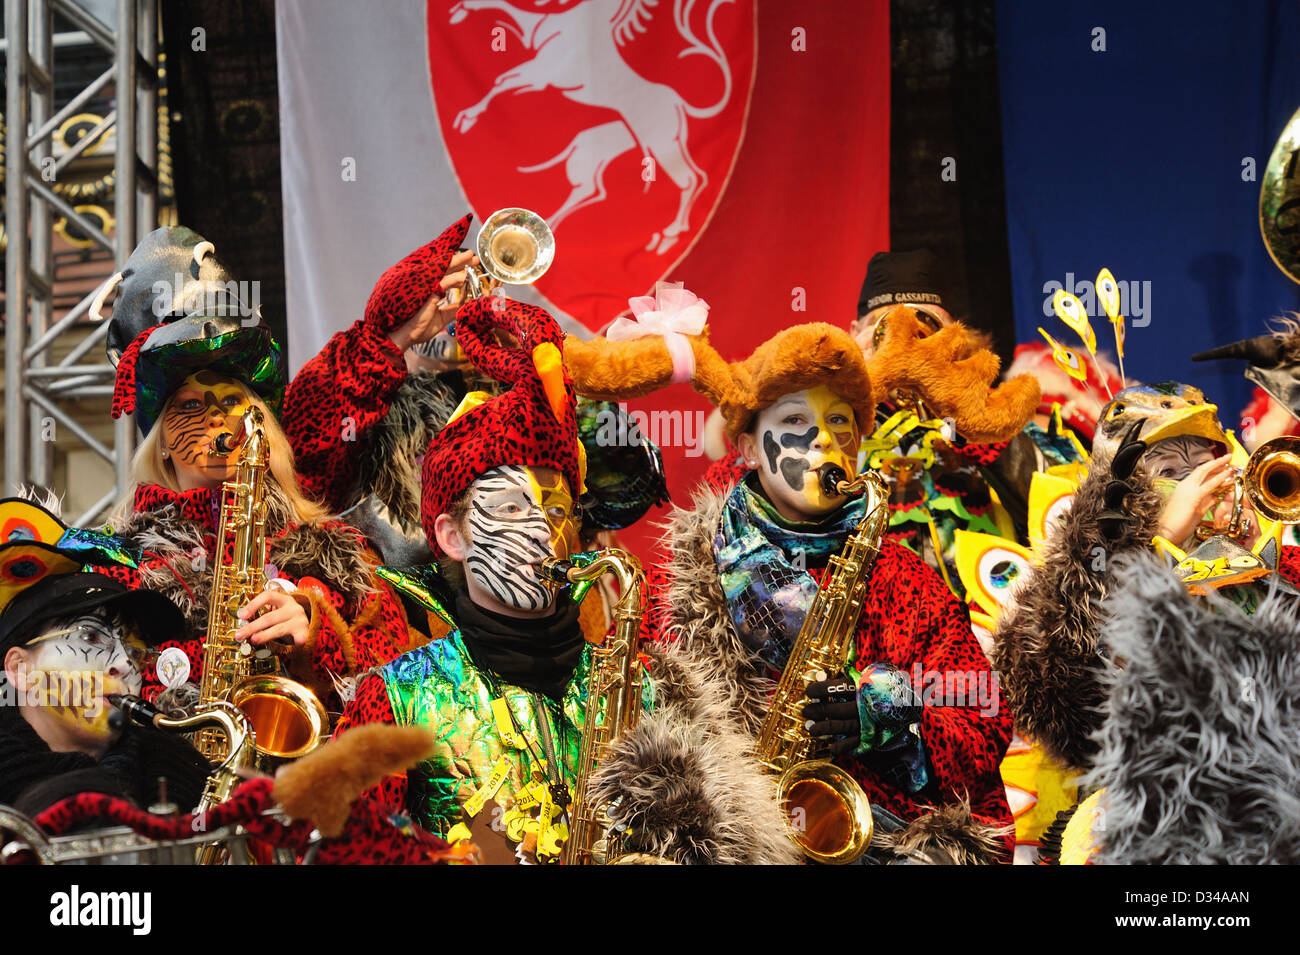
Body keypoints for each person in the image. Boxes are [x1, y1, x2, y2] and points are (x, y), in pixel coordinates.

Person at [334, 293, 794, 865]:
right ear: (452, 537)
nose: (538, 531)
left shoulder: (646, 686)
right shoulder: (393, 700)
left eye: (554, 510)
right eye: (506, 509)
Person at [564, 315, 1016, 863]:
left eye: (840, 422)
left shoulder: (907, 577)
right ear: (749, 448)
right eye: (796, 418)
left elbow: (980, 709)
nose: (823, 439)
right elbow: (631, 736)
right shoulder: (676, 580)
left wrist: (882, 710)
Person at [97, 226, 419, 713]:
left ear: (261, 431)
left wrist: (317, 628)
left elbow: (405, 685)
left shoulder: (340, 552)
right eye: (188, 406)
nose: (216, 419)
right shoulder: (116, 564)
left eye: (232, 401)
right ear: (160, 444)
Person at [281, 215, 666, 570]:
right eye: (440, 295)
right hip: (416, 625)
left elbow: (628, 491)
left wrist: (528, 366)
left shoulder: (529, 396)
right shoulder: (370, 409)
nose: (459, 308)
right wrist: (386, 339)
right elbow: (306, 449)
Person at [0, 494, 209, 815]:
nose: (124, 664)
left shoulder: (186, 779)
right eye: (91, 636)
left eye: (135, 651)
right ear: (20, 669)